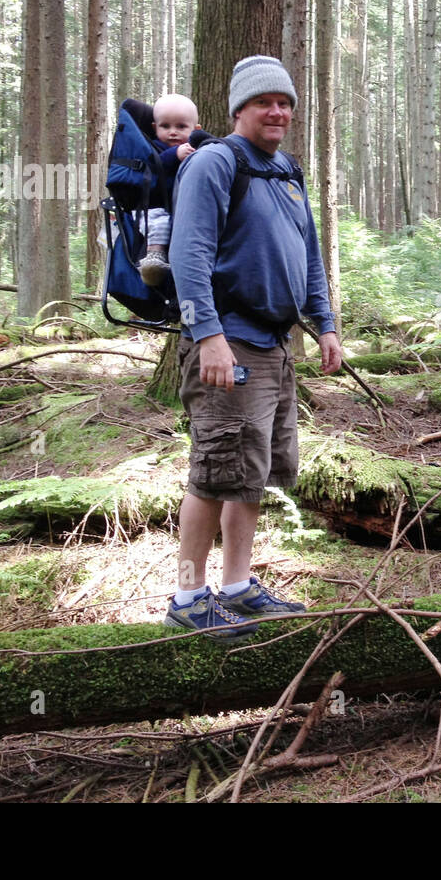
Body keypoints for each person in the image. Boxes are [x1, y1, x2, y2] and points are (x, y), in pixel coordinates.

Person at [164, 56, 343, 639]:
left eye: (285, 102)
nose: (277, 111)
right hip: (228, 342)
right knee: (214, 472)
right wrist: (208, 336)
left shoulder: (286, 171)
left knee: (252, 472)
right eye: (265, 102)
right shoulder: (215, 163)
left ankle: (238, 587)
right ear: (239, 109)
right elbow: (187, 257)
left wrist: (327, 324)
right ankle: (189, 597)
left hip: (274, 345)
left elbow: (308, 256)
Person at [138, 93, 201, 287]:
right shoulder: (154, 149)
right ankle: (153, 260)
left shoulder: (198, 149)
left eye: (181, 127)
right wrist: (174, 154)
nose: (173, 132)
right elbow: (153, 170)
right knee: (159, 224)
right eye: (165, 126)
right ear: (155, 128)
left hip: (183, 210)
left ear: (195, 129)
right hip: (156, 207)